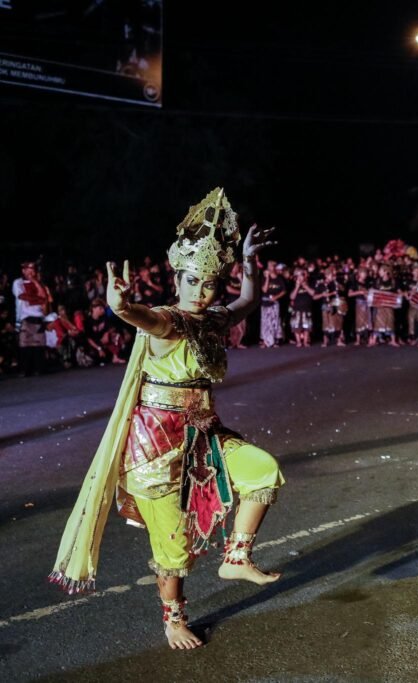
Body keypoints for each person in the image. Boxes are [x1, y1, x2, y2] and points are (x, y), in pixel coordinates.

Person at [50, 189, 284, 650]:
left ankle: (236, 556)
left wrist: (250, 264)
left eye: (210, 284)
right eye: (193, 282)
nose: (202, 292)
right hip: (155, 449)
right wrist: (121, 306)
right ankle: (174, 619)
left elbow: (249, 301)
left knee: (263, 471)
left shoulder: (212, 319)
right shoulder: (167, 320)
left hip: (204, 434)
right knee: (172, 549)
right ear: (178, 279)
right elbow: (141, 317)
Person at [13, 261, 52, 376]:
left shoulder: (39, 283)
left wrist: (35, 282)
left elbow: (44, 298)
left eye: (33, 270)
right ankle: (25, 369)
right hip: (25, 317)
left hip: (38, 317)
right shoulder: (18, 282)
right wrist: (38, 299)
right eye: (28, 269)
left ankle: (39, 368)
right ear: (23, 270)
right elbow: (21, 296)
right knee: (25, 345)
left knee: (38, 345)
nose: (31, 272)